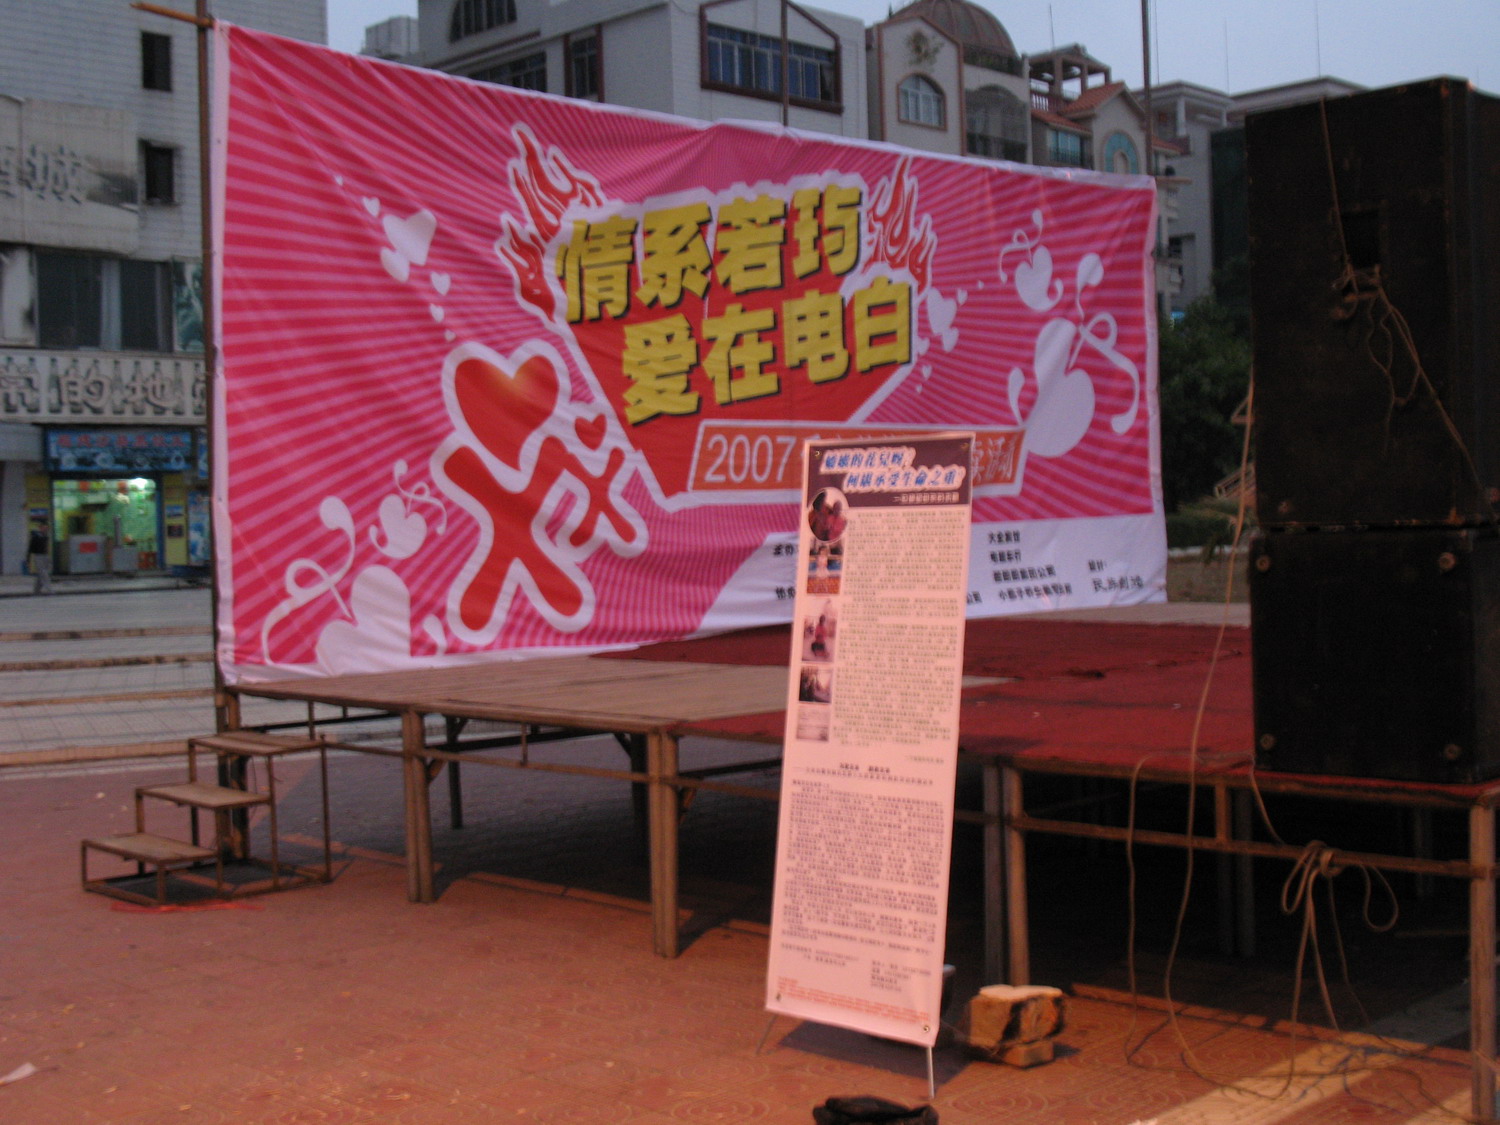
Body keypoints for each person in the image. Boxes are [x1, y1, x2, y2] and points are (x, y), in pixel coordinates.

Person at [27, 523, 52, 594]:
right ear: (40, 528)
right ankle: (48, 589)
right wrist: (28, 558)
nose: (45, 529)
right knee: (43, 573)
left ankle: (36, 590)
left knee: (42, 573)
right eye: (44, 528)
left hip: (45, 555)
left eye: (46, 528)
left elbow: (46, 547)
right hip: (38, 556)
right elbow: (30, 548)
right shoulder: (36, 536)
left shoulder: (46, 536)